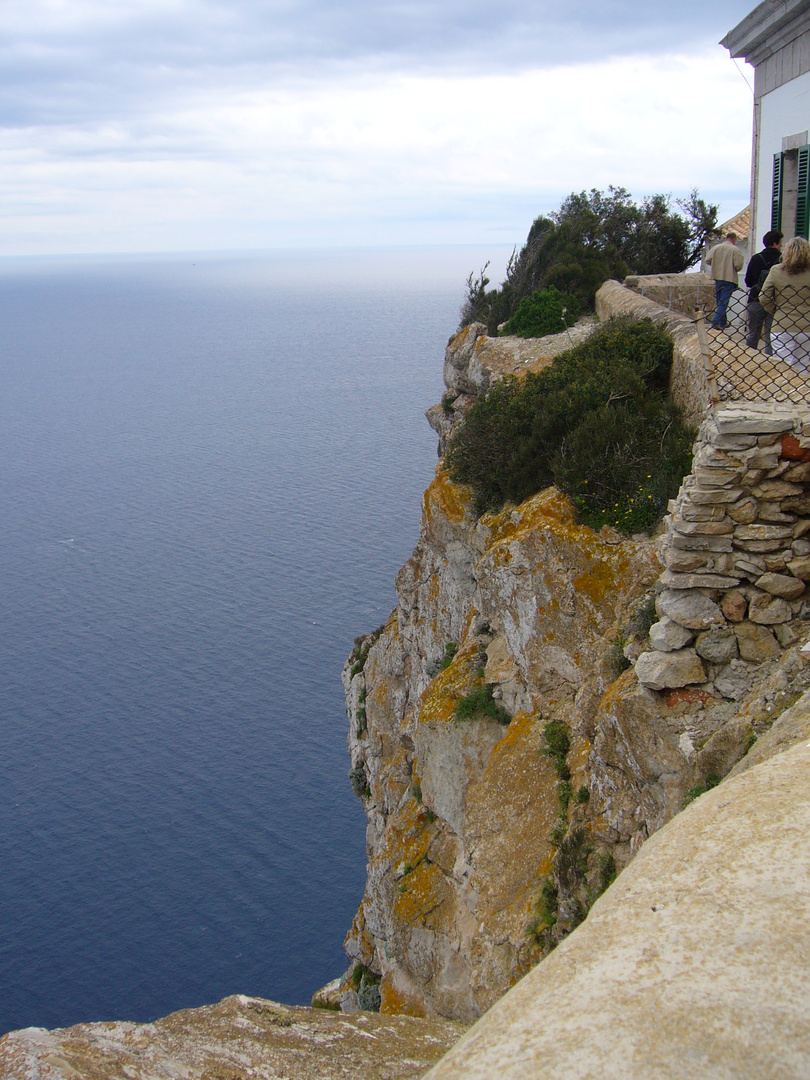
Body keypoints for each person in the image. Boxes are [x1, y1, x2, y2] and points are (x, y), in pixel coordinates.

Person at [759, 235, 810, 369]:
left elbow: (764, 297)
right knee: (803, 368)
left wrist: (776, 311)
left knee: (783, 368)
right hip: (807, 325)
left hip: (782, 324)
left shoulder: (776, 271)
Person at [745, 228, 783, 353]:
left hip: (755, 300)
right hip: (774, 302)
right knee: (770, 338)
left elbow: (748, 281)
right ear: (776, 243)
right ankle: (769, 363)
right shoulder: (782, 260)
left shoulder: (756, 258)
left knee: (753, 335)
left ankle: (748, 360)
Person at [704, 232, 745, 330]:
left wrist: (716, 265)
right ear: (734, 239)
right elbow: (738, 265)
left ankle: (723, 322)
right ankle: (716, 321)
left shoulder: (716, 248)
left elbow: (707, 260)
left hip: (717, 277)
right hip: (729, 278)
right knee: (724, 301)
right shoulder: (735, 250)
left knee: (720, 300)